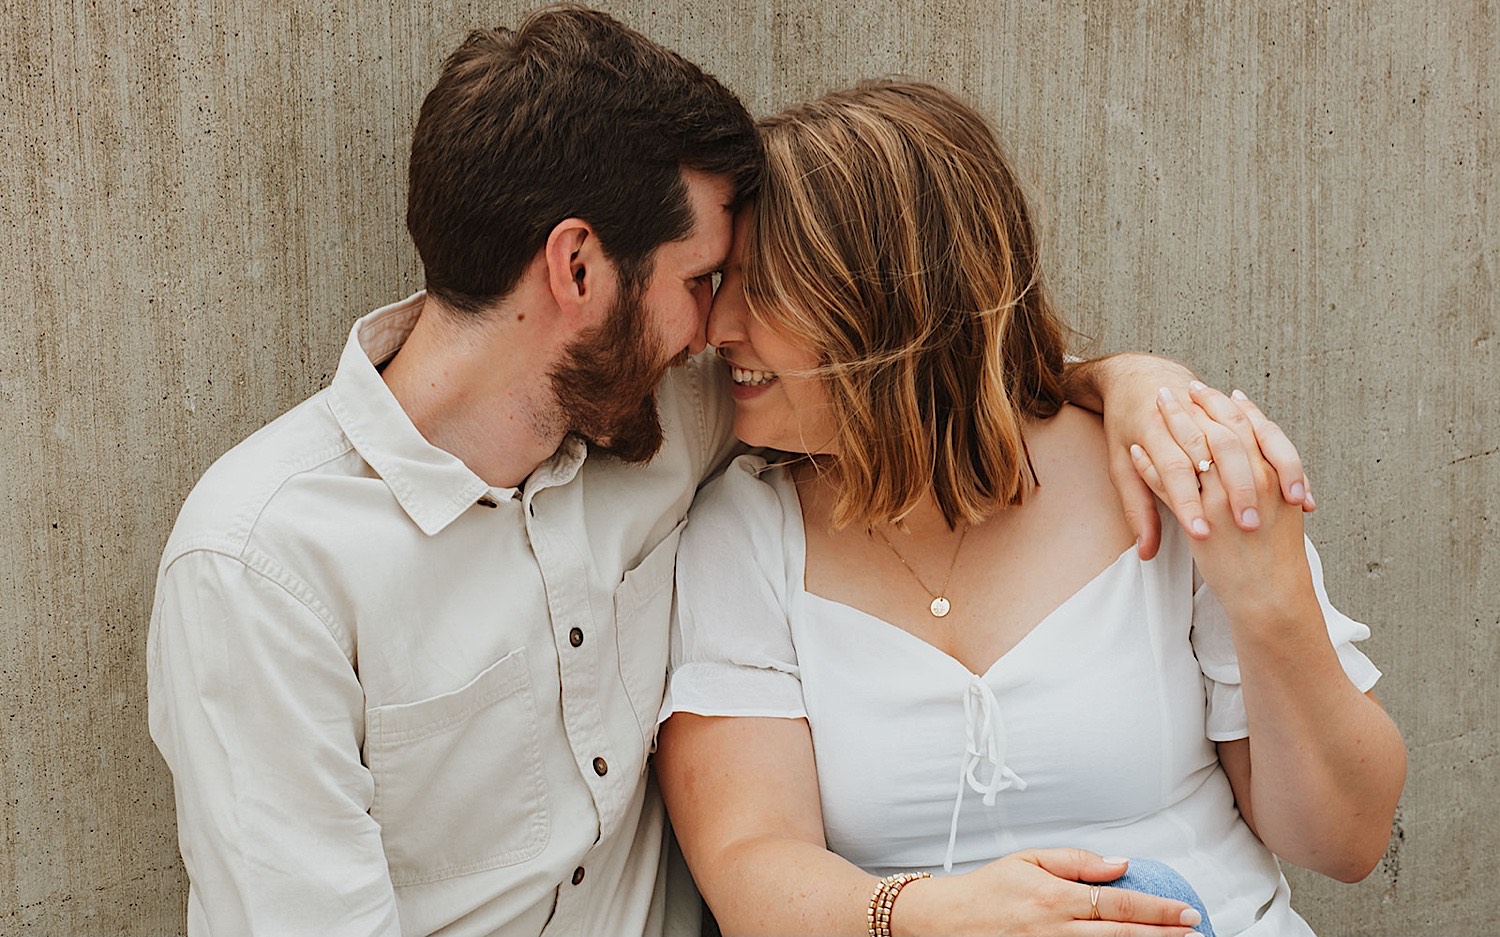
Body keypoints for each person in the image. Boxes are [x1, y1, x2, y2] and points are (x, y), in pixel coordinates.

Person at [147, 9, 1315, 937]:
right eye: (706, 279)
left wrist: (1139, 387)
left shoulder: (678, 412)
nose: (721, 330)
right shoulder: (263, 567)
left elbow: (929, 366)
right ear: (578, 268)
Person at [655, 80, 1406, 937]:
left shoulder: (1158, 471)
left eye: (762, 289)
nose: (718, 327)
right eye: (720, 283)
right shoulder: (746, 535)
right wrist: (937, 916)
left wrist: (1269, 601)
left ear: (887, 306)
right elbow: (750, 865)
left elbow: (1345, 840)